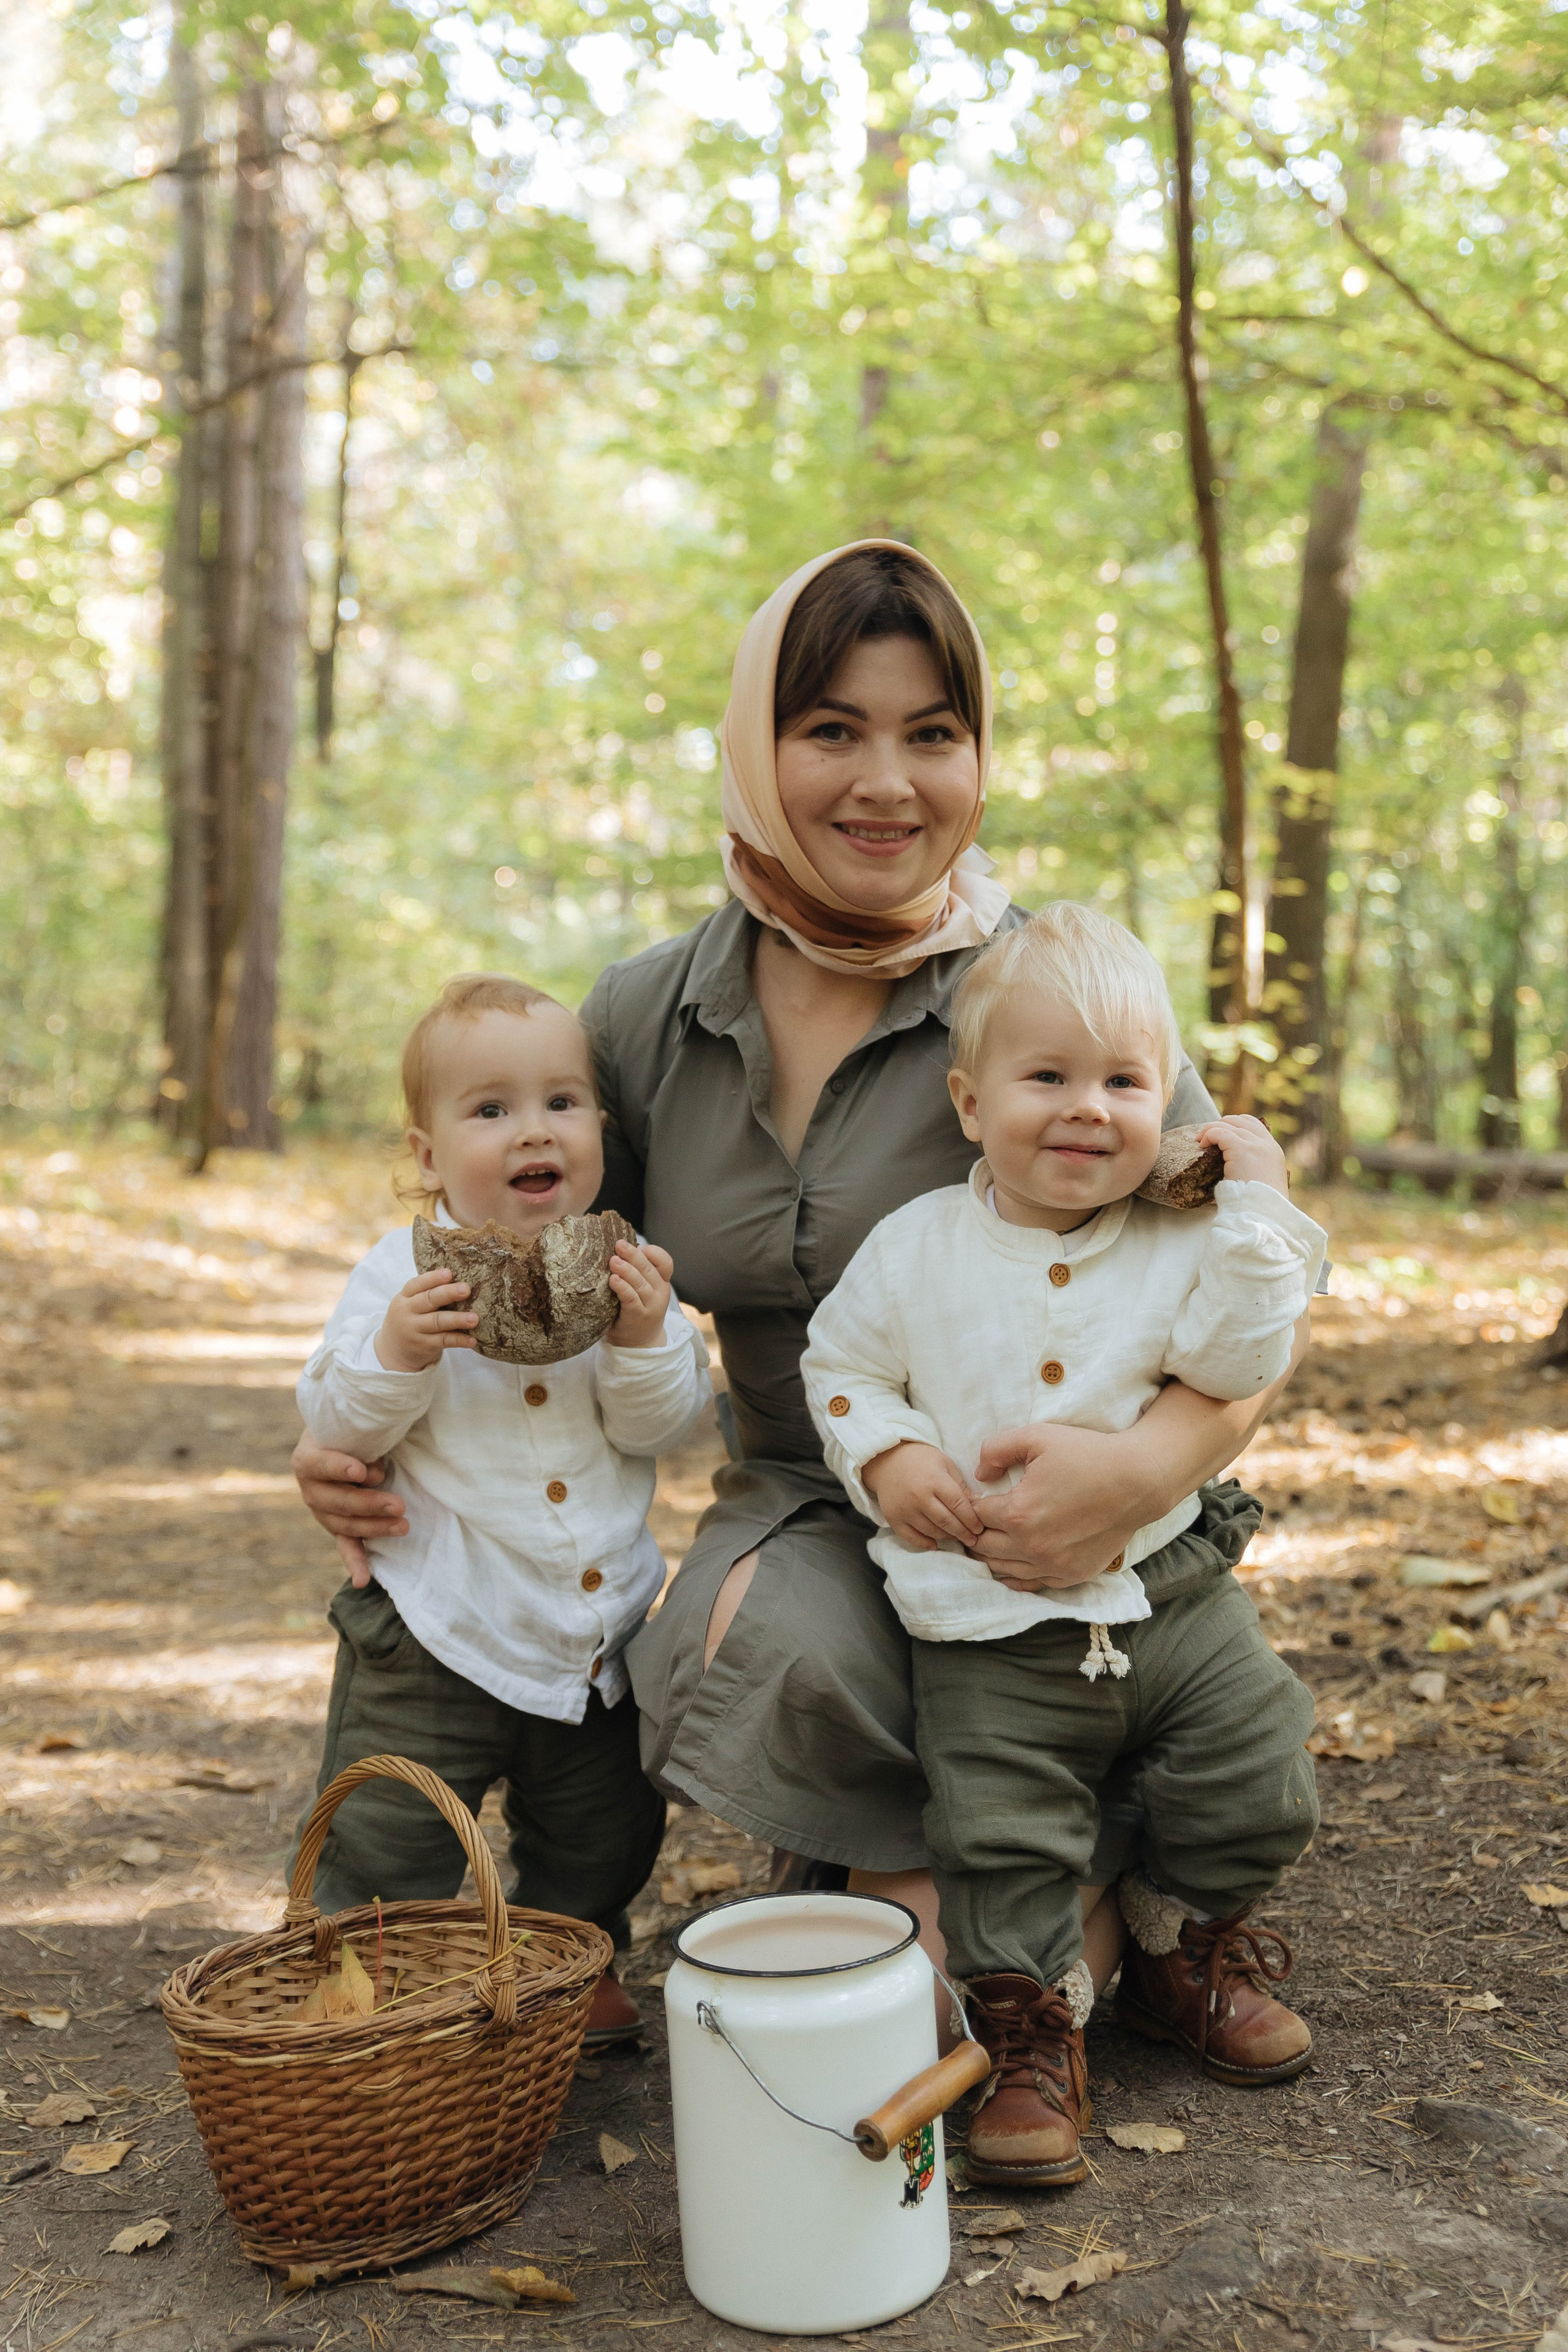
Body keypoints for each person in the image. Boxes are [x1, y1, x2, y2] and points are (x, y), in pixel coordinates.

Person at [292, 540, 1310, 2037]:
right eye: (829, 729)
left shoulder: (1055, 1002)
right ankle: (918, 1861)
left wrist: (1137, 1468)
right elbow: (529, 1259)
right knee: (734, 1648)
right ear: (754, 750)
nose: (884, 783)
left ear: (978, 755)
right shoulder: (647, 1014)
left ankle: (1135, 1895)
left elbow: (1247, 1284)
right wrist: (355, 1430)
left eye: (930, 734)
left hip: (1076, 1491)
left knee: (980, 1964)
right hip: (814, 1488)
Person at [801, 902, 1325, 2187]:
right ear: (970, 1101)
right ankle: (1029, 2037)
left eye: (1122, 1082)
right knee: (998, 1836)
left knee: (1256, 1763)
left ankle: (1175, 1939)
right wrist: (891, 1458)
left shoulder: (1183, 1239)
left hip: (1169, 1592)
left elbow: (1236, 1356)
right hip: (986, 1623)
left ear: (1165, 1103)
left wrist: (1258, 1210)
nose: (1085, 1108)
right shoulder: (914, 1247)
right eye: (1046, 1078)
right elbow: (842, 1369)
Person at [293, 972, 710, 2046]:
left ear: (598, 1128)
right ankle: (379, 1987)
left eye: (562, 1103)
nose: (536, 1129)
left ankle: (569, 1956)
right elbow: (339, 1423)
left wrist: (645, 1336)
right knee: (391, 1828)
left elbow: (659, 1428)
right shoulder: (397, 1278)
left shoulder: (622, 1267)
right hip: (439, 1618)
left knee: (604, 1825)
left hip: (589, 1626)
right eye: (492, 1110)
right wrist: (397, 1352)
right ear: (428, 1156)